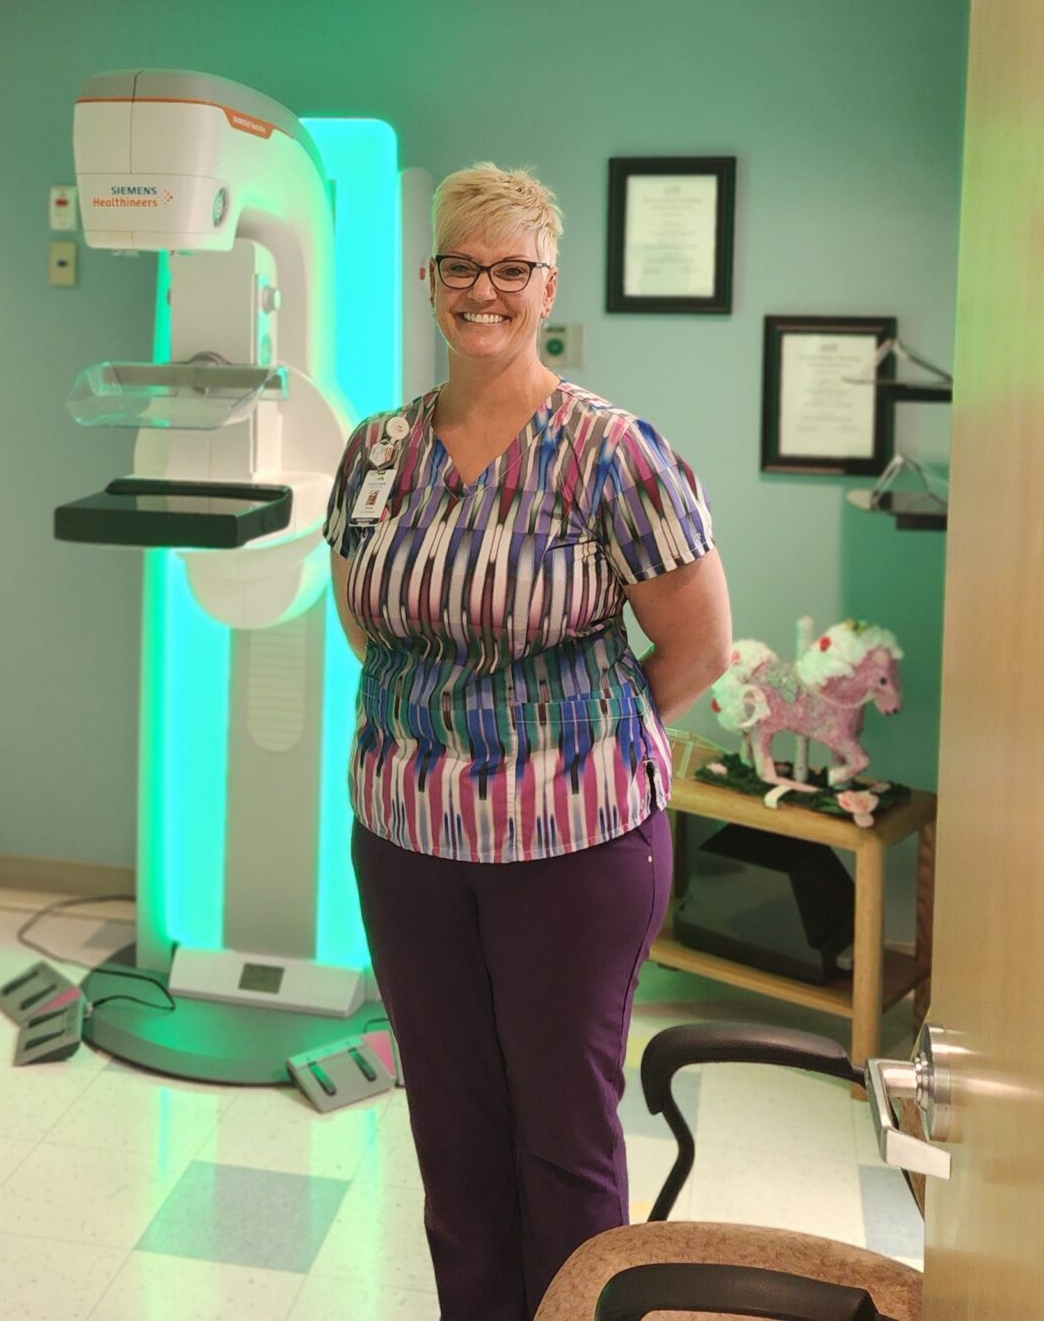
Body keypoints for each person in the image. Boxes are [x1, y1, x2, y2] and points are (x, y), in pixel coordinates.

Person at [325, 163, 733, 1321]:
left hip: (575, 847)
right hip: (407, 844)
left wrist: (562, 746)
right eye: (461, 265)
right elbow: (369, 624)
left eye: (510, 269)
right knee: (452, 1136)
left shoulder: (614, 452)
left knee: (560, 1138)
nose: (483, 290)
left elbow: (698, 651)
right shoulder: (374, 453)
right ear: (430, 279)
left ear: (548, 285)